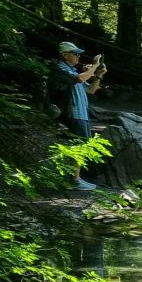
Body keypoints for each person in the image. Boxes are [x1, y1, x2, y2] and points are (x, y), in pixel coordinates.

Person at [50, 41, 106, 189]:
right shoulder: (60, 68)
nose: (78, 56)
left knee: (81, 146)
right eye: (75, 54)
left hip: (81, 114)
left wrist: (98, 75)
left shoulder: (74, 71)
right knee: (77, 146)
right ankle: (73, 180)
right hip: (71, 113)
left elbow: (91, 90)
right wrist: (94, 66)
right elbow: (80, 79)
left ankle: (75, 178)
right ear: (64, 55)